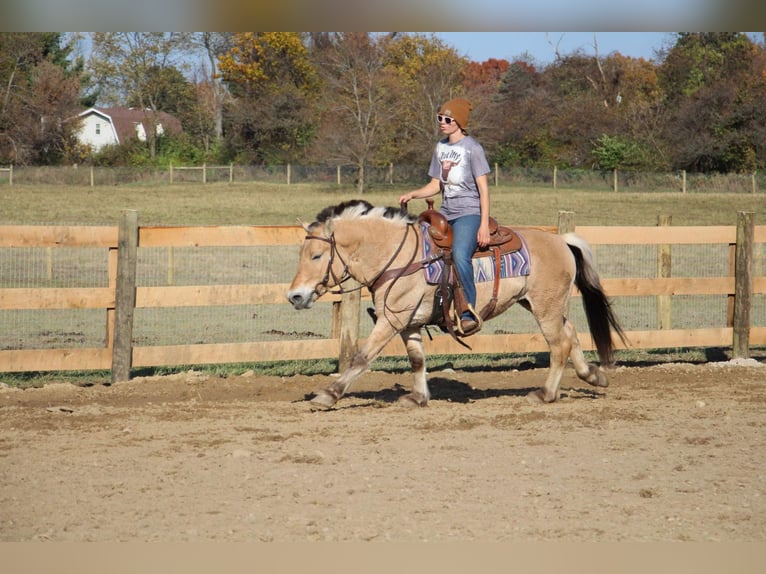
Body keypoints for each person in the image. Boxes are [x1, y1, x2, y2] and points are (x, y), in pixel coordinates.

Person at [399, 97, 491, 335]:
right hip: (445, 212)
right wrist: (414, 194)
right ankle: (433, 306)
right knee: (421, 251)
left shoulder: (473, 148)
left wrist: (482, 224)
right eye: (440, 118)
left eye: (447, 119)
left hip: (468, 213)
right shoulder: (441, 147)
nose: (442, 122)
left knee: (460, 254)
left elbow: (483, 190)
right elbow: (435, 184)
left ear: (459, 122)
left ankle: (468, 310)